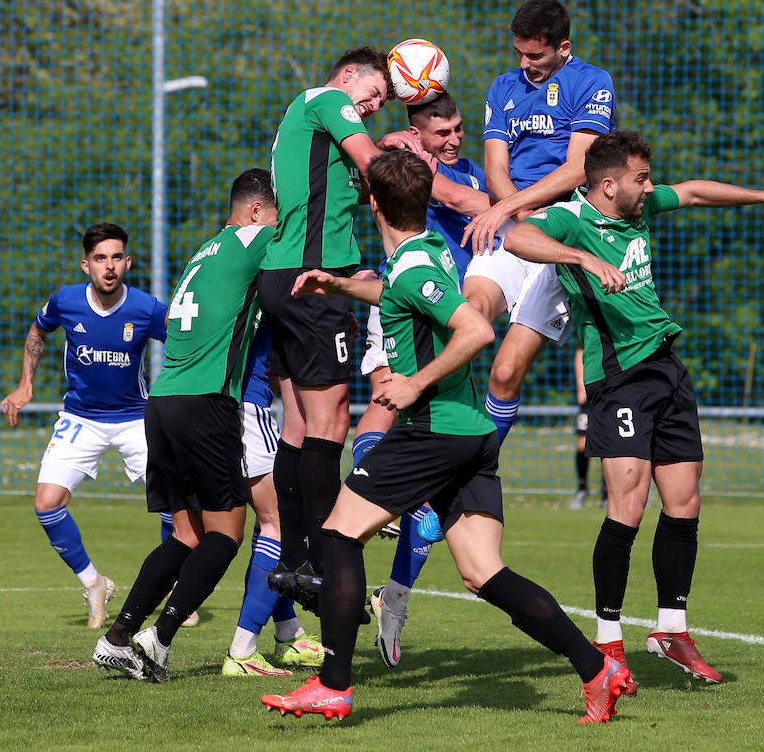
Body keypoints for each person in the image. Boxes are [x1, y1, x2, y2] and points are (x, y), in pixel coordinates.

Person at [259, 150, 636, 723]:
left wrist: (415, 384)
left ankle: (333, 684)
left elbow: (477, 329)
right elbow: (404, 295)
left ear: (375, 205)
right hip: (471, 434)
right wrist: (339, 287)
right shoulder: (428, 252)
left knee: (337, 536)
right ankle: (596, 668)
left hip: (432, 432)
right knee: (484, 572)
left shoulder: (414, 265)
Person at [504, 129, 764, 686]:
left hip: (666, 369)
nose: (650, 188)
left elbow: (694, 191)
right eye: (641, 179)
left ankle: (671, 629)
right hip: (619, 377)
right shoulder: (571, 218)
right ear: (607, 184)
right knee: (628, 503)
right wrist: (581, 258)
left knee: (685, 500)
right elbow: (519, 237)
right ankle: (608, 642)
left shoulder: (638, 208)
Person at [92, 169, 278, 682]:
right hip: (206, 402)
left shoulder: (205, 251)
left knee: (185, 535)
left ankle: (118, 637)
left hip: (164, 401)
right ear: (257, 212)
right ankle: (161, 638)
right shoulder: (256, 238)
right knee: (227, 533)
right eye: (275, 217)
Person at [257, 47, 413, 597]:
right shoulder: (327, 98)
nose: (373, 107)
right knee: (331, 426)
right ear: (348, 76)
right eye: (372, 95)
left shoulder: (314, 126)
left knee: (298, 429)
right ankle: (323, 560)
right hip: (312, 280)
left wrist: (385, 148)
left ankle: (294, 560)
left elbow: (361, 172)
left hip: (284, 276)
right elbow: (376, 168)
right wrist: (417, 167)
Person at [346, 92, 493, 669]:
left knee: (434, 509)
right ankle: (368, 491)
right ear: (413, 130)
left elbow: (480, 199)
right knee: (385, 402)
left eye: (459, 129)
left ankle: (395, 598)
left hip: (443, 316)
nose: (454, 139)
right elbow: (388, 164)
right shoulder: (400, 158)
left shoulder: (468, 172)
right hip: (404, 304)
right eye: (441, 132)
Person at [460, 0, 617, 444]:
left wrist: (514, 209)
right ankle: (443, 449)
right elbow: (494, 171)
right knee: (467, 325)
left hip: (562, 231)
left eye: (536, 55)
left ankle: (480, 462)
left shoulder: (592, 82)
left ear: (563, 48)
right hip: (512, 224)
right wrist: (517, 211)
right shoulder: (503, 87)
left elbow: (577, 168)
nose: (525, 64)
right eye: (519, 54)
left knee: (506, 372)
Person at [0, 222, 167, 629]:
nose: (108, 266)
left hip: (134, 419)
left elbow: (185, 345)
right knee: (47, 504)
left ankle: (177, 588)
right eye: (99, 258)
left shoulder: (146, 308)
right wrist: (25, 386)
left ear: (127, 262)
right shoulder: (66, 301)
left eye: (116, 257)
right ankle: (94, 583)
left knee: (176, 503)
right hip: (80, 418)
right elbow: (38, 331)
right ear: (85, 265)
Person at [222, 325, 325, 677]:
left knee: (267, 523)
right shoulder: (275, 282)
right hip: (249, 406)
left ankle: (288, 632)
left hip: (214, 404)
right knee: (279, 525)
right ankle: (243, 650)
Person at [568, 345, 605, 509]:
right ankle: (582, 489)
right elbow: (580, 350)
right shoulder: (588, 329)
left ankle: (607, 493)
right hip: (590, 394)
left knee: (609, 445)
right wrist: (580, 386)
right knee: (582, 444)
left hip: (609, 395)